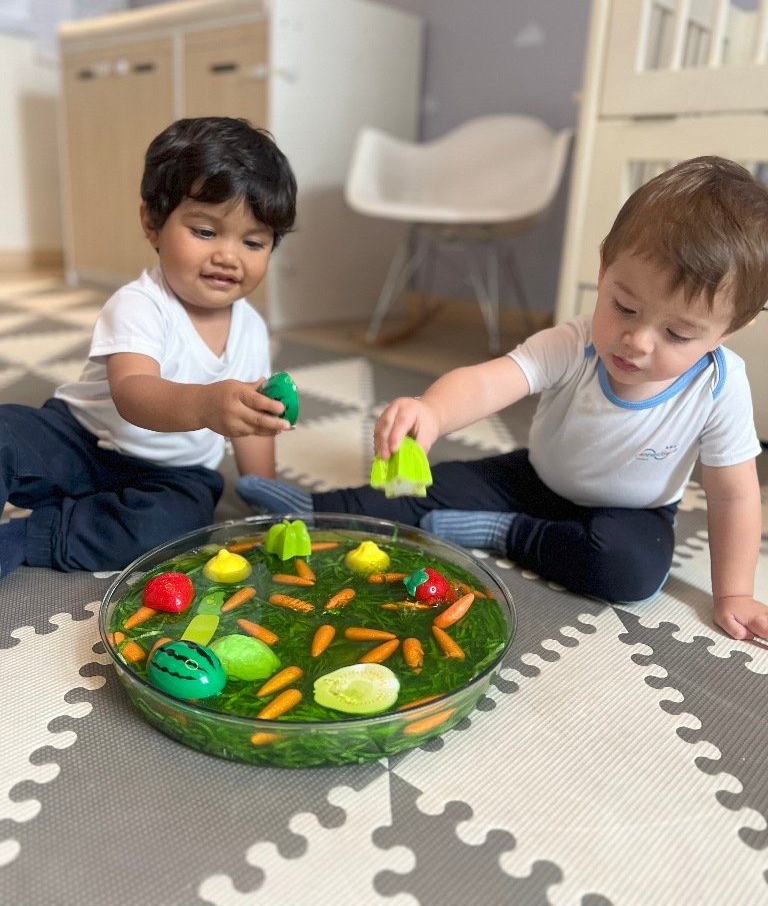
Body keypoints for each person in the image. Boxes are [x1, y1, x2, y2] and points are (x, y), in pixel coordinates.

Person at [237, 156, 768, 644]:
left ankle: (506, 533)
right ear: (603, 269)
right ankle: (315, 509)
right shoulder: (576, 341)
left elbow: (735, 496)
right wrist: (434, 410)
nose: (638, 341)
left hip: (631, 513)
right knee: (428, 484)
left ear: (729, 330)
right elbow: (493, 381)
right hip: (534, 476)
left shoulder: (720, 387)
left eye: (678, 334)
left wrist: (734, 593)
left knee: (631, 571)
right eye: (625, 307)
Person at [0, 116, 297, 578]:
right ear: (153, 224)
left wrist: (266, 492)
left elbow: (253, 424)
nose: (228, 256)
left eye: (253, 241)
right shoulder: (140, 304)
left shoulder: (252, 329)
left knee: (179, 529)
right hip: (82, 441)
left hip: (172, 476)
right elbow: (134, 393)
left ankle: (30, 535)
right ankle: (69, 499)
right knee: (6, 433)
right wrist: (206, 404)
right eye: (205, 232)